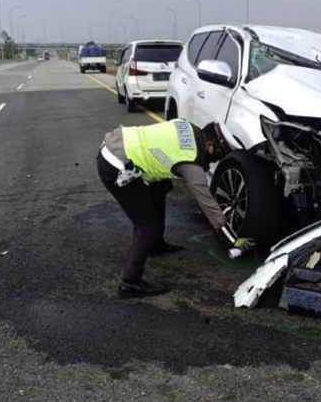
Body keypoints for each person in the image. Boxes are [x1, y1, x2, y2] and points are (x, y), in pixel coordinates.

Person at [97, 118, 256, 298]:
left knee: (159, 189)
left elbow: (160, 147)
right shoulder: (192, 161)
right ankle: (130, 282)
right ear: (210, 143)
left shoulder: (187, 125)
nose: (215, 159)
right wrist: (232, 241)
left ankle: (155, 245)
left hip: (117, 145)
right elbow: (208, 204)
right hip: (116, 166)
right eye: (218, 153)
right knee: (146, 226)